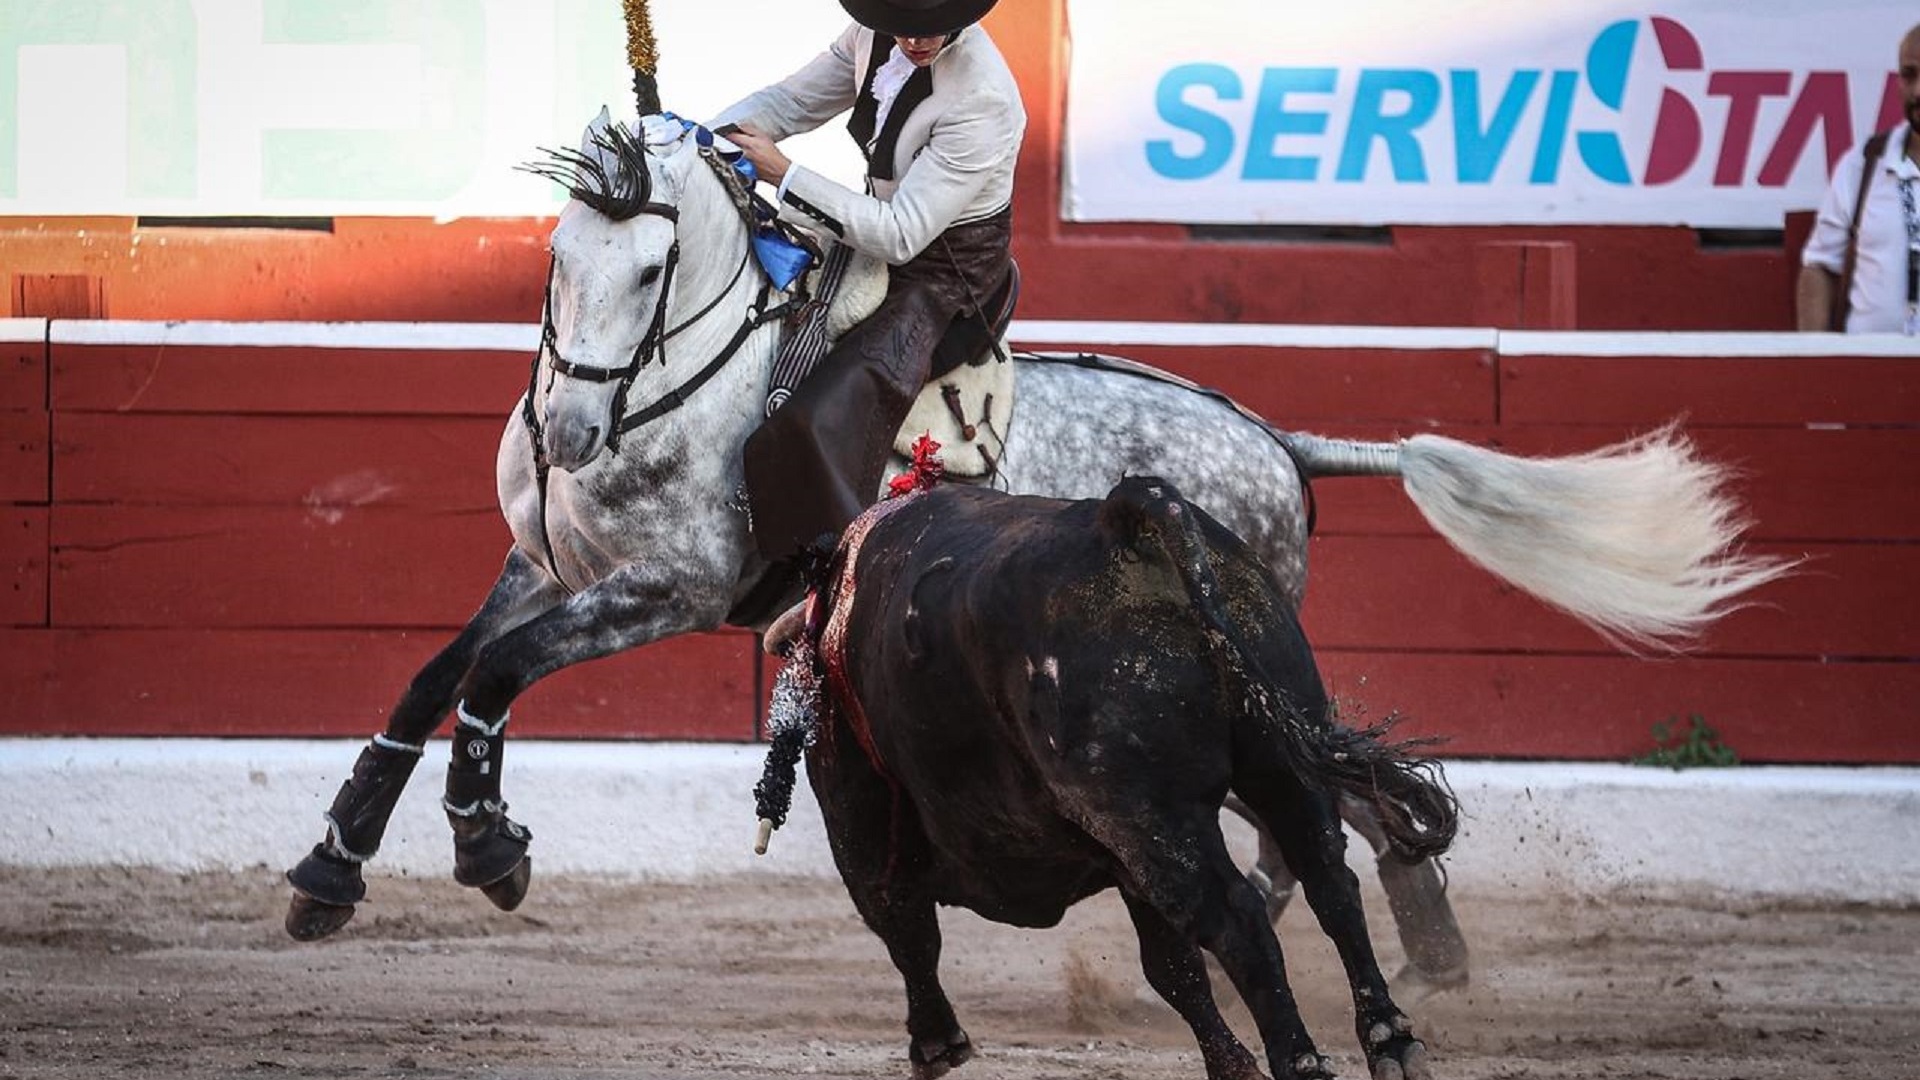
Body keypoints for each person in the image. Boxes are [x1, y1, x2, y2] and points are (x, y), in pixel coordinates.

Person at [709, 0, 1026, 576]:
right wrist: (703, 142)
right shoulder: (870, 35)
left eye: (930, 28)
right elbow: (790, 103)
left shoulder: (985, 98)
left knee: (817, 419)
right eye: (902, 27)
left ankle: (843, 576)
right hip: (874, 230)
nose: (915, 41)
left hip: (947, 273)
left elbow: (901, 234)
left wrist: (783, 173)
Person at [1797, 22, 1920, 334]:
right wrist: (1813, 353)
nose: (1918, 90)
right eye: (1909, 75)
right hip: (1867, 361)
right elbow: (1819, 266)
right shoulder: (1863, 164)